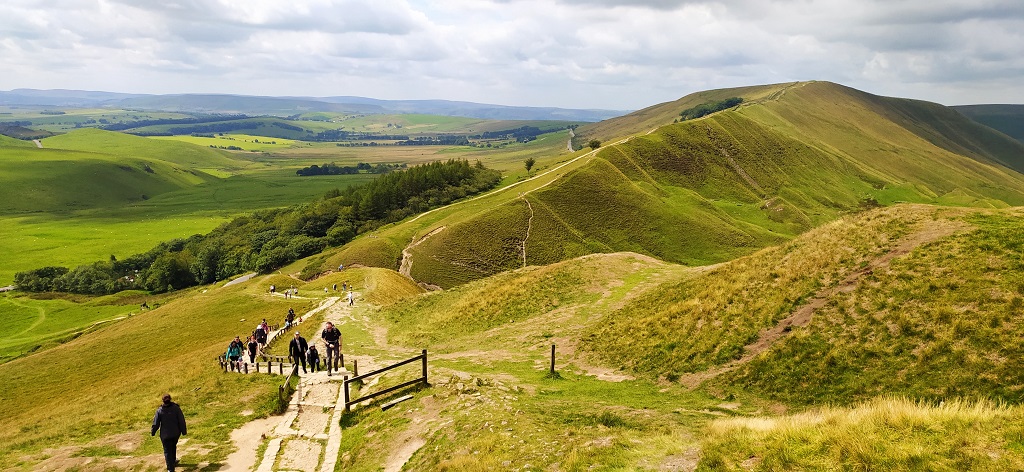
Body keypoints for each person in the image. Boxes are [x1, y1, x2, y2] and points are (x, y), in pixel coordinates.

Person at [151, 393, 187, 472]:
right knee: (173, 446)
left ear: (163, 401)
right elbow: (181, 420)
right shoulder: (176, 408)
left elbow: (156, 423)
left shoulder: (159, 410)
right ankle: (173, 461)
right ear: (170, 399)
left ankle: (170, 469)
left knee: (167, 451)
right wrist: (183, 431)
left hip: (165, 435)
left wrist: (153, 431)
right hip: (175, 433)